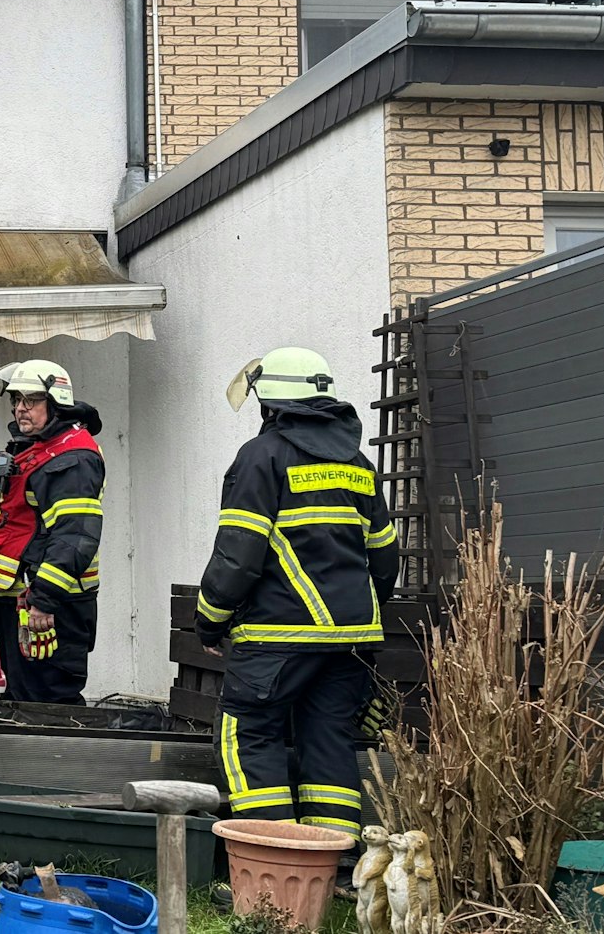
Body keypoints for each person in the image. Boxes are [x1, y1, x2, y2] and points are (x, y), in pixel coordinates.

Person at [194, 347, 398, 839]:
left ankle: (273, 867)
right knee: (328, 738)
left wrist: (209, 620)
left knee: (248, 731)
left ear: (273, 403)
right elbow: (386, 560)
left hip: (277, 636)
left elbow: (238, 556)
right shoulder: (358, 463)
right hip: (350, 641)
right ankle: (337, 860)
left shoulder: (261, 457)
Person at [0, 360, 106, 704]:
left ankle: (56, 760)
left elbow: (75, 537)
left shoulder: (72, 457)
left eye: (30, 400)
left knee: (47, 702)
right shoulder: (36, 448)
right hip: (17, 598)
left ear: (56, 401)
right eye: (16, 400)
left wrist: (43, 601)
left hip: (48, 605)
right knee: (13, 696)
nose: (19, 408)